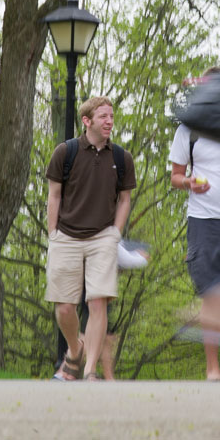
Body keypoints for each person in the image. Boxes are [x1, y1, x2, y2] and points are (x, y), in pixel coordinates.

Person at [46, 96, 136, 381]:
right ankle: (76, 348)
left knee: (98, 303)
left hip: (102, 239)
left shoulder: (121, 158)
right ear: (87, 121)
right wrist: (53, 234)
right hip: (67, 237)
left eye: (111, 116)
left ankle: (90, 370)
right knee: (64, 307)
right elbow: (54, 195)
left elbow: (124, 199)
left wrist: (115, 234)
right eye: (103, 117)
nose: (109, 121)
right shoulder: (65, 152)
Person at [169, 81, 220, 382]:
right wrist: (188, 183)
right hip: (203, 221)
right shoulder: (188, 131)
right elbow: (175, 176)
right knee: (212, 296)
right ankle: (212, 369)